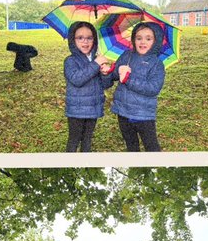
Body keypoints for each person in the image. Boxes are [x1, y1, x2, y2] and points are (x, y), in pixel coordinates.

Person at [103, 21, 166, 151]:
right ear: (133, 39)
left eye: (148, 39)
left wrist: (128, 78)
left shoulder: (157, 64)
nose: (143, 42)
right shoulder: (127, 55)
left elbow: (153, 89)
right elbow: (113, 77)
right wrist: (107, 72)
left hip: (143, 115)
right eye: (139, 38)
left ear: (156, 41)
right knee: (131, 145)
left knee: (151, 146)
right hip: (123, 112)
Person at [63, 21, 111, 151]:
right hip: (76, 110)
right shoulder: (70, 61)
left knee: (87, 138)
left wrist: (105, 73)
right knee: (74, 139)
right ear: (73, 40)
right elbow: (77, 79)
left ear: (94, 40)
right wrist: (95, 64)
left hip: (93, 108)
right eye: (80, 38)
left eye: (89, 38)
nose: (85, 42)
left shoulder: (96, 59)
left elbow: (106, 85)